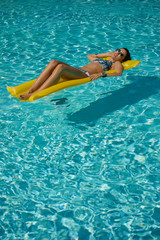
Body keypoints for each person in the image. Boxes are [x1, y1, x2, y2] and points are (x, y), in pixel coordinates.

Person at [19, 48, 131, 100]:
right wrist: (106, 53)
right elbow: (90, 56)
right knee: (54, 62)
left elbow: (119, 73)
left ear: (122, 59)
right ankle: (30, 90)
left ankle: (35, 94)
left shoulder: (116, 63)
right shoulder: (106, 58)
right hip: (77, 70)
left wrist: (102, 75)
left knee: (60, 67)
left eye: (121, 54)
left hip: (84, 74)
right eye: (117, 50)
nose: (117, 53)